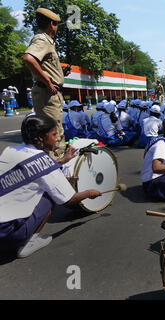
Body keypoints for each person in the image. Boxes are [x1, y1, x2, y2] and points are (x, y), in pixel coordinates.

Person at [0, 115, 102, 258]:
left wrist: (62, 160)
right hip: (8, 237)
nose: (57, 139)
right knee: (49, 195)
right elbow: (69, 199)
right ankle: (28, 243)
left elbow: (32, 170)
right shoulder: (43, 161)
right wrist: (89, 193)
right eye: (54, 134)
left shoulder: (10, 151)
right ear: (41, 137)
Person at [23, 8, 71, 159]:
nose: (57, 27)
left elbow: (43, 66)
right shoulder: (42, 39)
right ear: (51, 24)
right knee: (53, 134)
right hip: (48, 94)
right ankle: (57, 168)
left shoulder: (47, 41)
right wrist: (49, 81)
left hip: (47, 92)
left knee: (51, 132)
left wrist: (60, 73)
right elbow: (28, 59)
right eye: (56, 24)